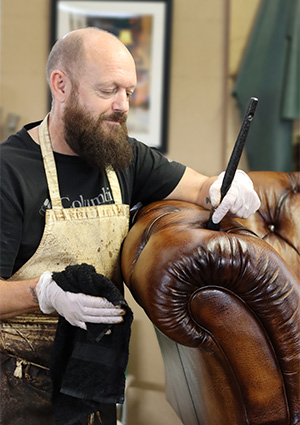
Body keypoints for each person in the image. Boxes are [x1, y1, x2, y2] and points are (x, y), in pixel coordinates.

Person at [0, 27, 260, 425]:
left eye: (129, 91)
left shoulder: (124, 157)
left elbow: (202, 186)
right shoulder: (10, 172)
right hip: (16, 387)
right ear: (61, 85)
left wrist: (225, 187)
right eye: (108, 91)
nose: (123, 106)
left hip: (94, 376)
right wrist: (43, 294)